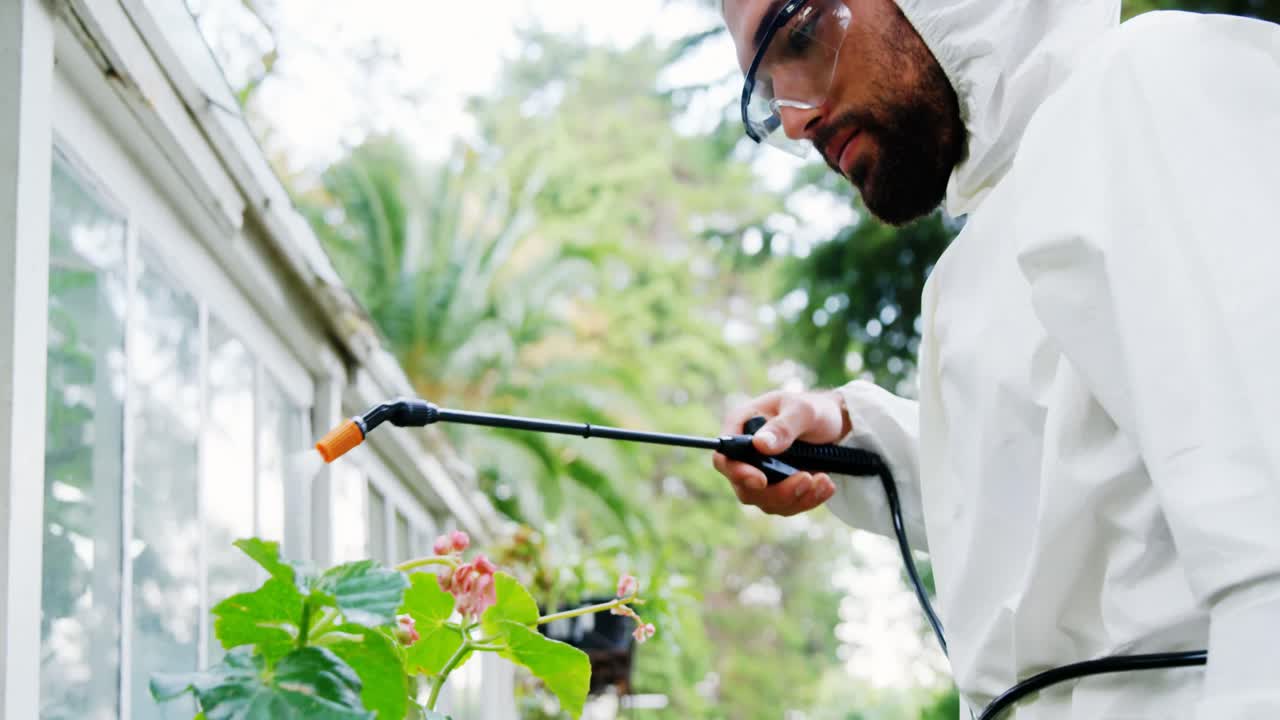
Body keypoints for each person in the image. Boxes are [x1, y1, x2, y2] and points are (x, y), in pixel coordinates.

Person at [713, 0, 1280, 717]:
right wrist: (855, 434)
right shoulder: (966, 271)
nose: (794, 117)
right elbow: (1058, 501)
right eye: (767, 96)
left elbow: (1265, 521)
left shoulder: (1149, 83)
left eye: (798, 35)